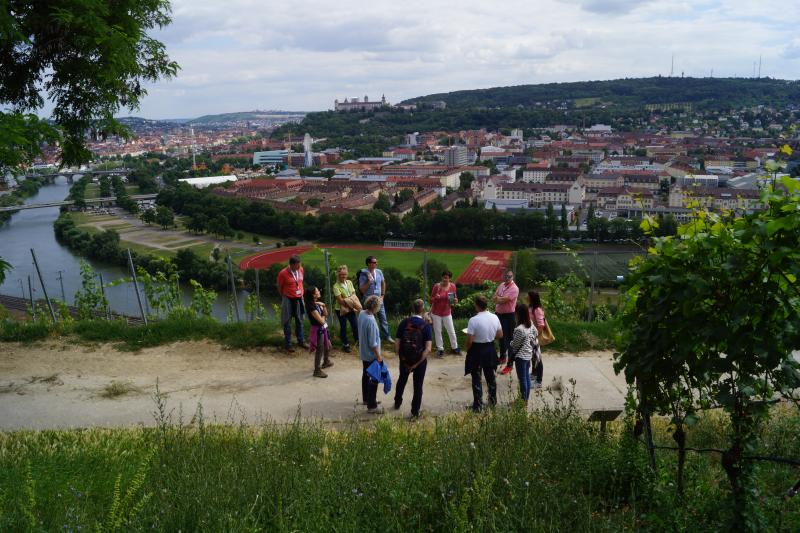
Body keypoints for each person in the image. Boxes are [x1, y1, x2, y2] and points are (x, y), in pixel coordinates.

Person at [394, 299, 433, 419]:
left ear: (412, 309)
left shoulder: (404, 323)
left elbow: (397, 343)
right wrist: (417, 364)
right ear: (423, 310)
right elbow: (428, 349)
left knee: (402, 380)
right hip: (419, 361)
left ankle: (397, 402)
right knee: (418, 385)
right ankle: (415, 412)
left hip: (405, 359)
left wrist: (402, 358)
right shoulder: (426, 326)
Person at [464, 294, 503, 412]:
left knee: (476, 378)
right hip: (490, 349)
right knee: (491, 378)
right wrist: (489, 335)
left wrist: (467, 348)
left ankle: (478, 405)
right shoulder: (495, 317)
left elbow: (469, 341)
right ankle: (492, 402)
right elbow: (500, 335)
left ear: (476, 306)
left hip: (476, 350)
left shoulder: (473, 320)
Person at [358, 295, 384, 414]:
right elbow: (373, 343)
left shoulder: (362, 314)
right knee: (374, 378)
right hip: (371, 355)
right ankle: (372, 405)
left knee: (365, 375)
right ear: (376, 307)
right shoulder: (371, 321)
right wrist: (378, 356)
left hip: (363, 352)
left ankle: (366, 399)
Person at [358, 256, 393, 342]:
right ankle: (368, 337)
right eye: (374, 262)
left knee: (383, 318)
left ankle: (387, 336)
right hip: (368, 300)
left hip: (379, 299)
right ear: (369, 264)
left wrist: (383, 295)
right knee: (368, 319)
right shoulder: (363, 274)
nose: (376, 264)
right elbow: (362, 289)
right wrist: (369, 281)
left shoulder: (379, 272)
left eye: (376, 262)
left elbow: (383, 283)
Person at [509, 303, 539, 403]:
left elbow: (515, 345)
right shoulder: (530, 324)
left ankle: (523, 402)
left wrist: (510, 342)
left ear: (518, 314)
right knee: (526, 378)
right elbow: (536, 333)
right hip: (528, 355)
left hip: (520, 357)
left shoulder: (519, 329)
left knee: (522, 380)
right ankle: (524, 399)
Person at [277, 255, 307, 352]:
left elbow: (301, 282)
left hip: (299, 299)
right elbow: (280, 287)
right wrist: (285, 296)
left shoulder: (301, 270)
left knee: (300, 320)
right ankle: (288, 344)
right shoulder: (283, 273)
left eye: (299, 264)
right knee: (287, 322)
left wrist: (301, 294)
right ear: (291, 265)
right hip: (288, 299)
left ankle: (301, 341)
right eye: (297, 265)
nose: (299, 267)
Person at [305, 286, 333, 378]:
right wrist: (324, 318)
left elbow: (326, 314)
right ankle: (317, 370)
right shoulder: (311, 307)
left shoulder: (316, 303)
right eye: (317, 291)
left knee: (327, 345)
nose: (319, 291)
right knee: (320, 349)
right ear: (313, 295)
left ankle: (326, 361)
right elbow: (321, 320)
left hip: (322, 328)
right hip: (318, 330)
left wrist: (324, 305)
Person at [430, 270, 460, 358]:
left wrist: (456, 300)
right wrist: (435, 297)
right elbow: (431, 299)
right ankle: (440, 349)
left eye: (447, 278)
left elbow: (454, 298)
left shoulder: (453, 286)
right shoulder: (437, 286)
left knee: (451, 331)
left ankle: (455, 347)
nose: (445, 279)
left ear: (450, 279)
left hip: (447, 312)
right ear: (441, 277)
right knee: (438, 331)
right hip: (436, 313)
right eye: (444, 277)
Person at [495, 269, 519, 375]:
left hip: (509, 316)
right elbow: (494, 297)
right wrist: (499, 298)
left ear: (512, 277)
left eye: (509, 276)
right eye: (506, 276)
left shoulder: (514, 288)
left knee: (509, 340)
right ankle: (502, 357)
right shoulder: (501, 285)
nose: (507, 278)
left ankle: (510, 365)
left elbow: (504, 300)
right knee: (501, 337)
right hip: (499, 315)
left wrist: (499, 299)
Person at [332, 264, 359, 352]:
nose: (343, 276)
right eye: (341, 274)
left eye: (345, 274)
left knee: (355, 325)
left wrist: (348, 300)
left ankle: (358, 342)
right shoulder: (336, 286)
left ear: (347, 274)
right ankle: (345, 344)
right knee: (343, 327)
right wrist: (352, 302)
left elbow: (354, 295)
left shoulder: (349, 282)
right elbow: (340, 301)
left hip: (350, 308)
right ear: (338, 275)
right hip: (340, 309)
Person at [528, 291, 546, 390]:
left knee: (538, 359)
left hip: (535, 338)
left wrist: (535, 336)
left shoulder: (537, 310)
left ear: (532, 298)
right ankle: (534, 374)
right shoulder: (531, 307)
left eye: (528, 296)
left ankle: (539, 381)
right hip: (531, 337)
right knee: (533, 357)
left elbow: (541, 325)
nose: (526, 297)